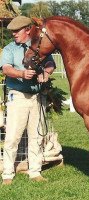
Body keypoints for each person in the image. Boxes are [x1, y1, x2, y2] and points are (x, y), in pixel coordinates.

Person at [0, 16, 56, 185]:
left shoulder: (39, 45)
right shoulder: (10, 48)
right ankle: (8, 174)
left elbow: (50, 63)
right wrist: (22, 74)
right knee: (12, 137)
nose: (13, 34)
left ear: (27, 30)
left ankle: (35, 171)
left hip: (37, 98)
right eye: (12, 31)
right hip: (18, 96)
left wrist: (46, 74)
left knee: (36, 136)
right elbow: (6, 69)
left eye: (16, 31)